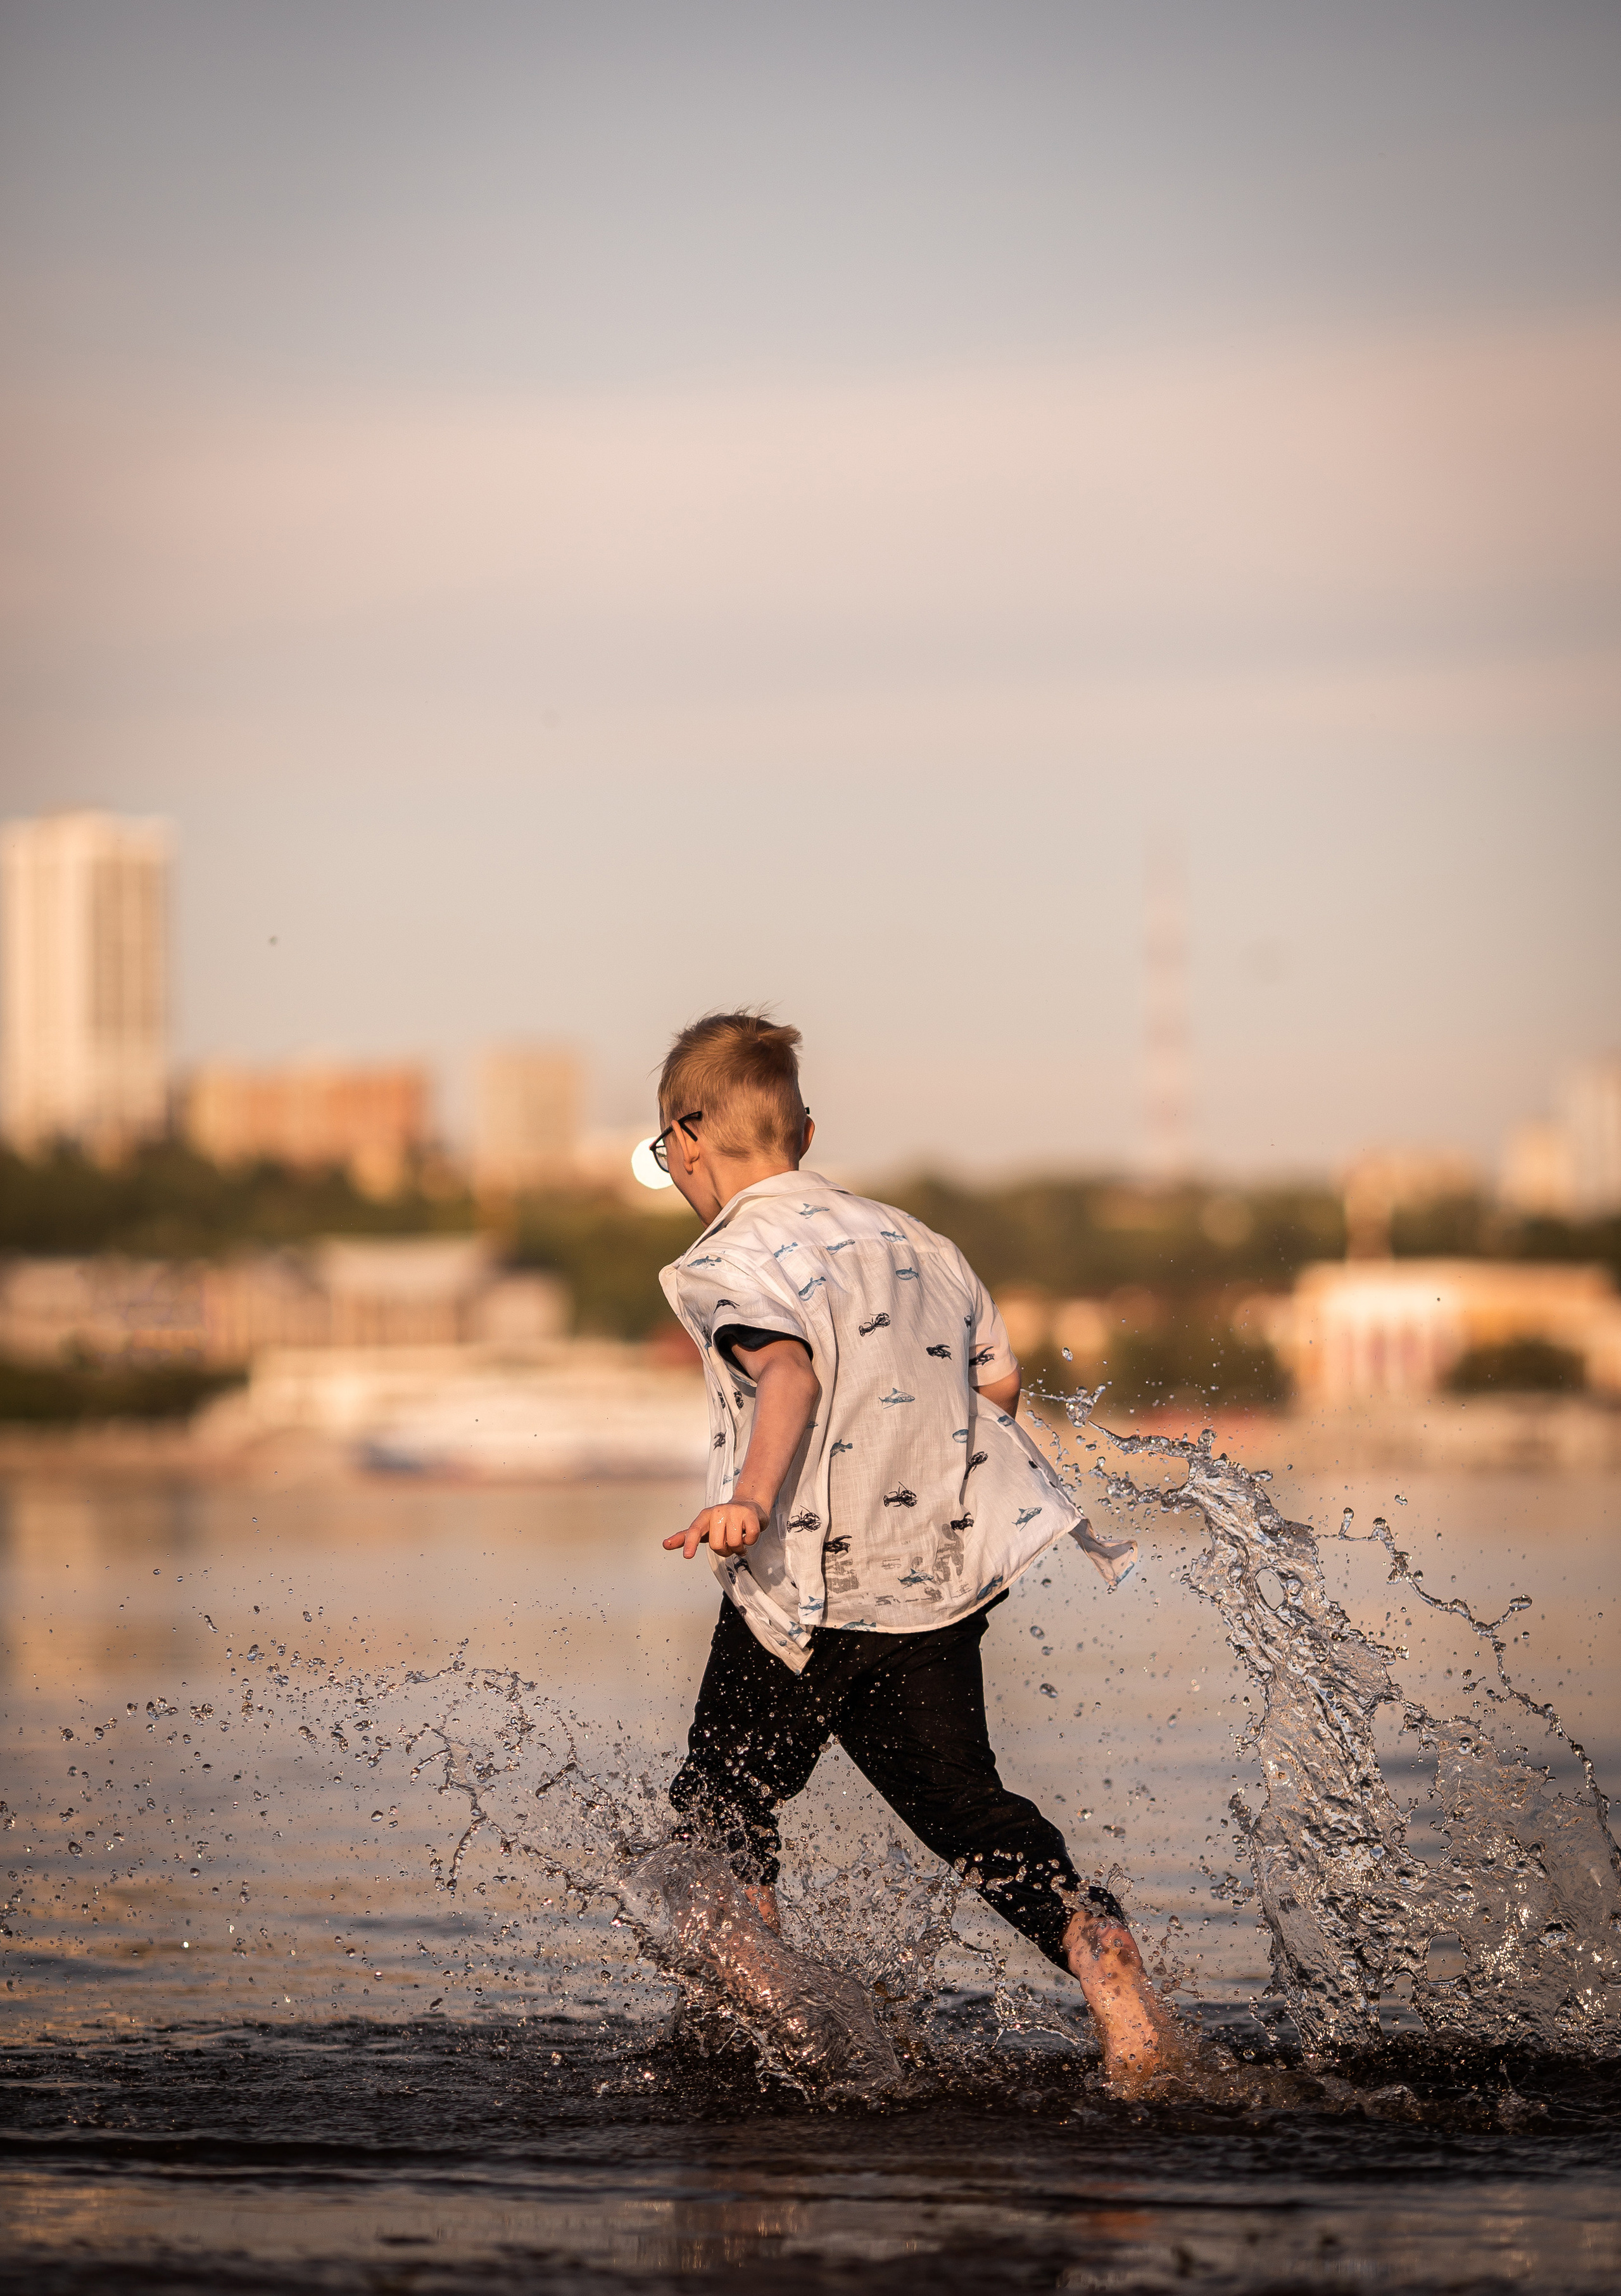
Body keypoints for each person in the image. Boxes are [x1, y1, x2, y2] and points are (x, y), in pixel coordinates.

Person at [648, 1010, 1175, 2086]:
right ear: (803, 1127)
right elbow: (998, 1389)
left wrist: (749, 1499)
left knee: (721, 1804)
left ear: (688, 1136)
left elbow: (785, 1372)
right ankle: (1094, 1946)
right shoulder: (918, 1243)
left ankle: (771, 2021)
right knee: (972, 1814)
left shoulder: (732, 1253)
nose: (674, 1175)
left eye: (666, 1156)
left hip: (802, 1590)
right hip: (934, 1586)